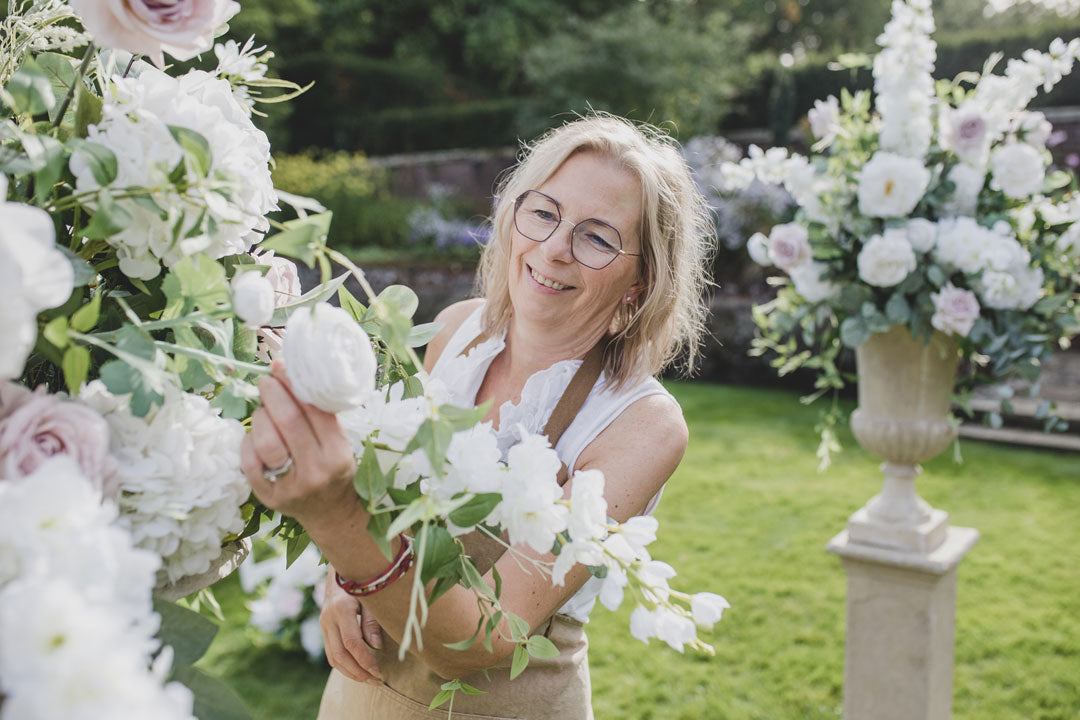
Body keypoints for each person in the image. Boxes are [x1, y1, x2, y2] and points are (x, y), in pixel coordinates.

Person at [241, 114, 713, 719]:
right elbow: (383, 494)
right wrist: (339, 579)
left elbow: (482, 639)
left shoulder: (640, 425)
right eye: (544, 212)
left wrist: (337, 526)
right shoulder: (457, 329)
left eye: (597, 238)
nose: (553, 249)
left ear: (641, 280)